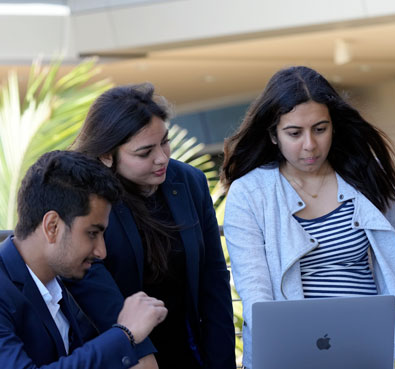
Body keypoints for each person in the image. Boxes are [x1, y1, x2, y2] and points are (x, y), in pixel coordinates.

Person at [221, 65, 395, 368]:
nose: (310, 145)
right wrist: (284, 350)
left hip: (366, 348)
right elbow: (255, 290)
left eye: (320, 129)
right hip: (291, 354)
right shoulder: (250, 193)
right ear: (273, 135)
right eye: (294, 133)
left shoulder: (366, 174)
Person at [66, 83, 235, 368]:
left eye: (165, 142)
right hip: (123, 353)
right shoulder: (83, 197)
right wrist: (144, 359)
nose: (162, 157)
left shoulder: (190, 182)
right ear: (107, 155)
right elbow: (96, 293)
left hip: (189, 348)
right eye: (145, 152)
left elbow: (214, 280)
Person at [0, 150, 168, 368]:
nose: (101, 252)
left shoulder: (61, 281)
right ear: (52, 226)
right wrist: (125, 333)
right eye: (92, 233)